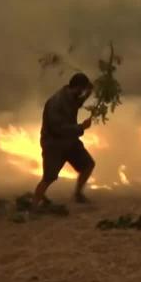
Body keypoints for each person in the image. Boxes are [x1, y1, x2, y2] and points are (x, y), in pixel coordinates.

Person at [32, 72, 96, 208]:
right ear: (77, 87)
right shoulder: (56, 102)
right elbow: (58, 128)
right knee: (49, 177)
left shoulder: (71, 95)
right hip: (54, 144)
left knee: (88, 165)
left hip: (70, 142)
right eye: (82, 89)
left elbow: (77, 103)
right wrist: (81, 127)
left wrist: (89, 93)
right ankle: (34, 205)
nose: (82, 92)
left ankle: (78, 194)